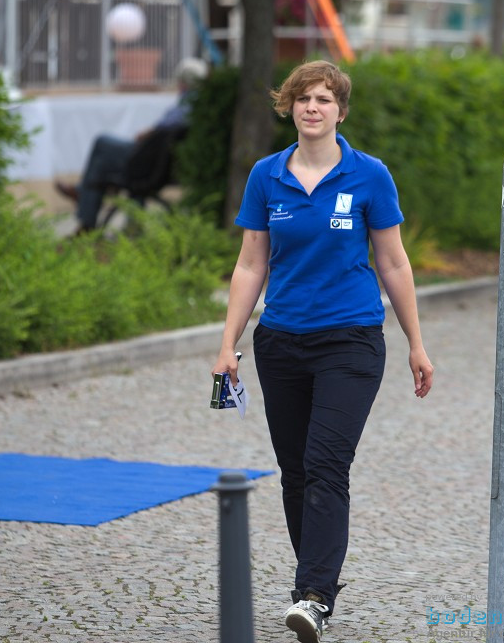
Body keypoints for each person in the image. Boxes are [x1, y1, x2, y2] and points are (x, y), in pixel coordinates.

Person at [211, 60, 433, 642]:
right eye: (304, 98)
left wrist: (416, 342)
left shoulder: (369, 175)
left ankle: (313, 595)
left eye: (325, 99)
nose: (313, 107)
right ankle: (314, 581)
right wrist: (226, 345)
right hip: (281, 342)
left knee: (326, 465)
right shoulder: (266, 175)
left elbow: (393, 262)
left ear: (341, 111)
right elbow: (250, 264)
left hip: (352, 341)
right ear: (290, 107)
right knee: (295, 473)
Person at [54, 57, 208, 232]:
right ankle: (103, 216)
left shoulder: (188, 103)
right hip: (156, 162)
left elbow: (165, 128)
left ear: (183, 81)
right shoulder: (198, 104)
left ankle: (85, 212)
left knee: (102, 143)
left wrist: (148, 133)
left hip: (148, 162)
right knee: (101, 165)